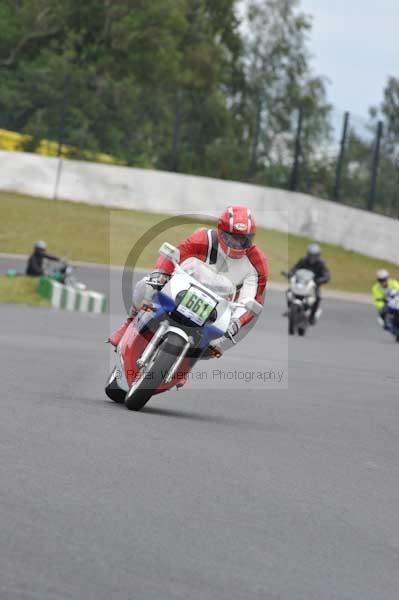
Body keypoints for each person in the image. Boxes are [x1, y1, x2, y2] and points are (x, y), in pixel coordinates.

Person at [109, 205, 268, 352]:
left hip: (217, 308)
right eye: (232, 237)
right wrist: (161, 274)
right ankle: (129, 322)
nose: (236, 243)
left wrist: (237, 321)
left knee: (216, 345)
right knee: (145, 286)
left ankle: (184, 366)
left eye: (242, 239)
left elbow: (252, 299)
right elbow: (176, 254)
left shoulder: (257, 263)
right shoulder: (204, 237)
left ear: (250, 238)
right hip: (184, 289)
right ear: (221, 231)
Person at [287, 243, 330, 324]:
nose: (312, 258)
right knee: (289, 291)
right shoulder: (303, 260)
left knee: (318, 297)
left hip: (313, 285)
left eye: (314, 256)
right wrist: (291, 274)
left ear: (318, 256)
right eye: (310, 255)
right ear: (308, 254)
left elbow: (326, 275)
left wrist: (320, 280)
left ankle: (312, 316)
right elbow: (295, 268)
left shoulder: (321, 264)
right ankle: (290, 308)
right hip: (301, 283)